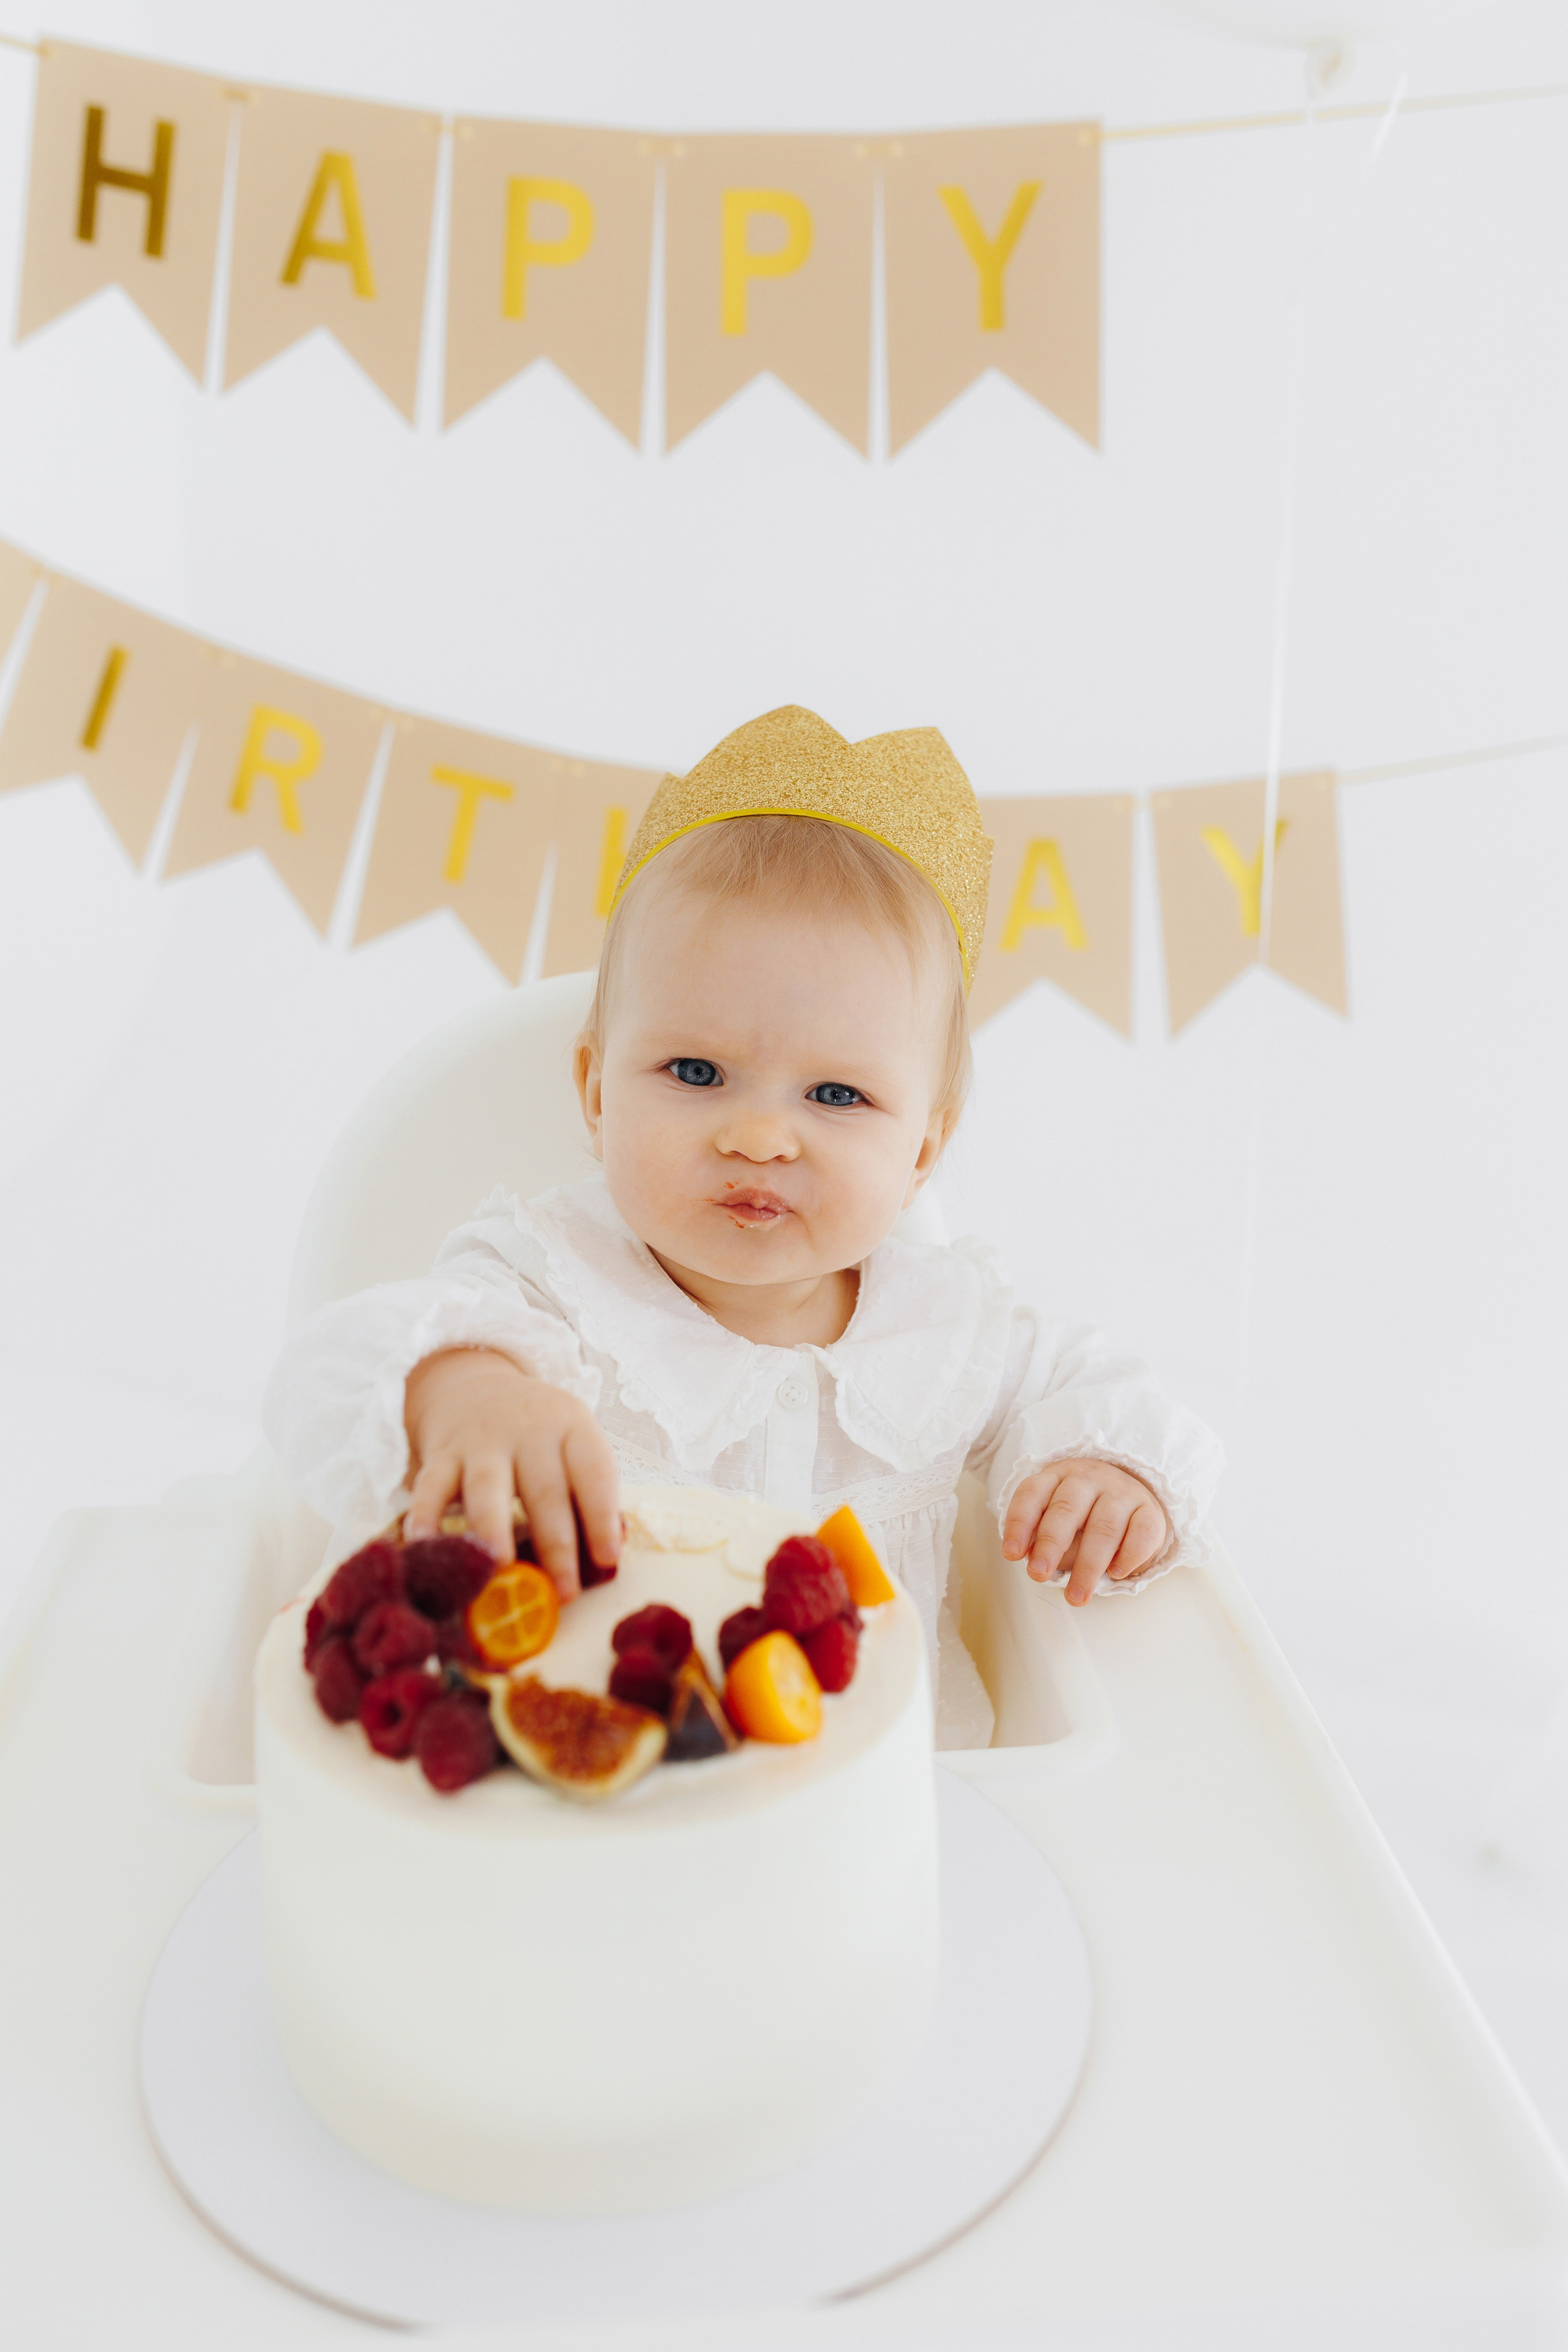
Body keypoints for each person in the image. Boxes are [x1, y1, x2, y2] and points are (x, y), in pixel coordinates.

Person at [265, 706, 1221, 1741]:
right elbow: (330, 1375)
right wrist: (463, 1390)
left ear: (922, 1153)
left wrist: (1112, 1479)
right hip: (601, 1770)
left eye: (838, 1096)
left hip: (887, 1785)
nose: (761, 1137)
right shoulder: (542, 1280)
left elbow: (1112, 1396)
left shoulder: (950, 1330)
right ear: (596, 1093)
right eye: (696, 1072)